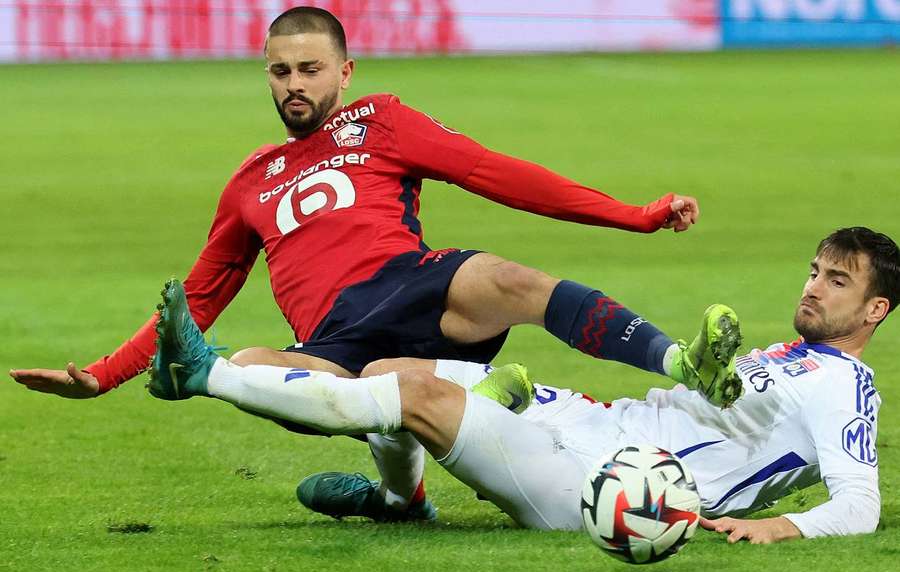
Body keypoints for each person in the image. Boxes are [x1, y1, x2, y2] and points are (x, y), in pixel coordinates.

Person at [11, 7, 727, 518]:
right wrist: (103, 378)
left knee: (507, 278)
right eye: (280, 71)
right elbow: (195, 303)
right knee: (253, 370)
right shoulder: (249, 182)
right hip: (337, 341)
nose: (295, 84)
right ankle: (402, 493)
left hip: (416, 288)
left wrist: (634, 215)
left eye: (310, 69)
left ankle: (678, 362)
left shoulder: (377, 120)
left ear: (345, 71)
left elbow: (494, 172)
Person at [148, 227, 897, 543]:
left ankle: (203, 372)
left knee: (417, 402)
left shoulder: (846, 388)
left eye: (836, 282)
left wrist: (777, 527)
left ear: (874, 310)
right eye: (813, 271)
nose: (812, 288)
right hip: (592, 423)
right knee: (386, 372)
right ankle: (398, 499)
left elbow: (860, 504)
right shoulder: (788, 356)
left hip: (611, 490)